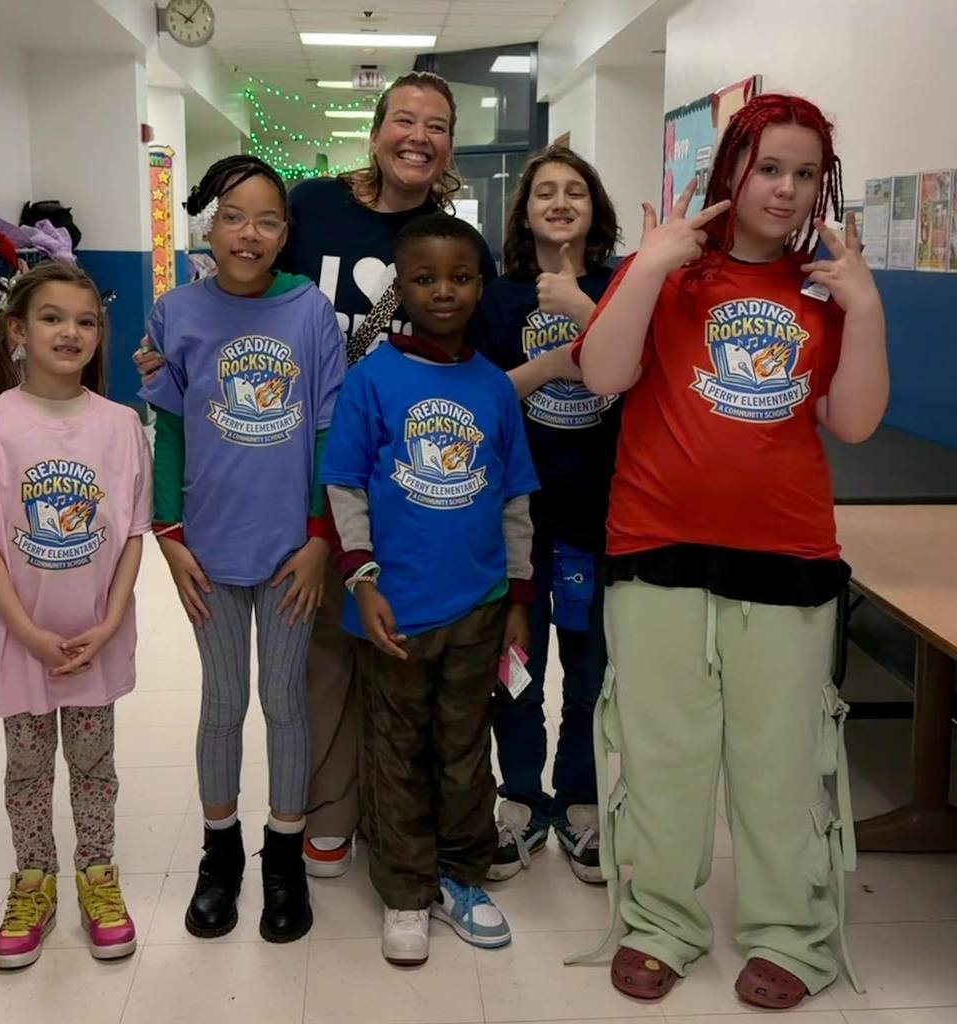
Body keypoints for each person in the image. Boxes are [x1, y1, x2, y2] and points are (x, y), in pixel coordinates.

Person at [134, 73, 496, 878]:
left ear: (449, 145)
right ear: (375, 130)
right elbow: (230, 307)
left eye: (436, 125)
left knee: (400, 646)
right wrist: (165, 366)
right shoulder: (316, 208)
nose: (417, 135)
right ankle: (321, 818)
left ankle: (403, 817)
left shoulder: (452, 238)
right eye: (403, 118)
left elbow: (486, 349)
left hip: (408, 477)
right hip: (292, 481)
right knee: (321, 661)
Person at [572, 94, 888, 1008]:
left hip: (786, 556)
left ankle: (789, 931)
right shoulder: (667, 270)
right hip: (656, 548)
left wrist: (863, 304)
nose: (784, 190)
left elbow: (855, 420)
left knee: (780, 761)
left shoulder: (826, 290)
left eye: (803, 173)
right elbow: (603, 377)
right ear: (730, 172)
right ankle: (661, 922)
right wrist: (649, 267)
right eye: (768, 168)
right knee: (664, 753)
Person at [321, 213, 539, 966]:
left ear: (480, 286)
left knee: (462, 749)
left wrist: (515, 601)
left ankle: (460, 876)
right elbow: (344, 488)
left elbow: (515, 500)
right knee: (394, 751)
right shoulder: (371, 380)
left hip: (478, 607)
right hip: (394, 611)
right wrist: (364, 580)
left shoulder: (493, 388)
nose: (442, 291)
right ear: (399, 287)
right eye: (423, 278)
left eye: (458, 277)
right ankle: (407, 891)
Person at [139, 155, 345, 943]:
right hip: (209, 549)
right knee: (223, 705)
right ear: (210, 225)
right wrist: (169, 536)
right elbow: (171, 432)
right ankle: (219, 854)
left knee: (286, 702)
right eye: (233, 217)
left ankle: (283, 855)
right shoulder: (174, 312)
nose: (248, 234)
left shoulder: (310, 314)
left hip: (292, 549)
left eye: (266, 219)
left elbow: (329, 432)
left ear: (285, 233)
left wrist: (322, 538)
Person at [0, 262, 152, 969]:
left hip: (94, 637)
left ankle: (97, 872)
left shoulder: (121, 425)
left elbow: (129, 540)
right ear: (17, 331)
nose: (71, 332)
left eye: (86, 321)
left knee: (95, 765)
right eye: (53, 318)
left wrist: (113, 619)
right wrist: (25, 632)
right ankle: (33, 878)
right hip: (18, 639)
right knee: (27, 769)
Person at [470, 145, 621, 885]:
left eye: (575, 192)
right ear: (524, 213)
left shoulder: (623, 286)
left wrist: (590, 317)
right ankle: (522, 797)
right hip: (521, 518)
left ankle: (582, 800)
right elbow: (487, 403)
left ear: (594, 211)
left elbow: (639, 381)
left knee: (589, 670)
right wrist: (557, 363)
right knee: (518, 669)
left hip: (601, 514)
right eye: (545, 193)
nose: (560, 203)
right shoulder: (499, 300)